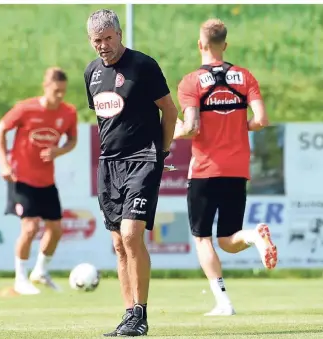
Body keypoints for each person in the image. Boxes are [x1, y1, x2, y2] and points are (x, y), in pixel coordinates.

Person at [174, 18, 278, 316]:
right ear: (225, 44)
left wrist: (173, 130)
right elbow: (261, 120)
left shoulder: (191, 81)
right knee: (230, 240)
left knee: (203, 238)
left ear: (200, 45)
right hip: (237, 168)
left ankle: (223, 302)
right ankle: (254, 236)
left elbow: (192, 127)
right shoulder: (244, 77)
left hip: (205, 170)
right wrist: (235, 125)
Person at [84, 9, 178, 337]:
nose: (103, 45)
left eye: (108, 38)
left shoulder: (143, 66)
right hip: (109, 164)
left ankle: (141, 312)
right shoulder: (91, 73)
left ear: (119, 34)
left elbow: (169, 108)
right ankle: (128, 315)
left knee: (131, 234)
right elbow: (103, 119)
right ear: (91, 41)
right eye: (97, 40)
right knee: (118, 244)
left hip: (144, 158)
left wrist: (162, 151)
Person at [0, 67, 78, 295]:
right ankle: (20, 278)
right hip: (21, 177)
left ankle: (40, 271)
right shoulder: (26, 108)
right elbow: (1, 129)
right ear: (46, 86)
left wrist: (57, 152)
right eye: (56, 90)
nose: (60, 95)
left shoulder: (68, 113)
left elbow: (72, 140)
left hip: (46, 180)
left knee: (56, 229)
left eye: (63, 91)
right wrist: (3, 162)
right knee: (30, 227)